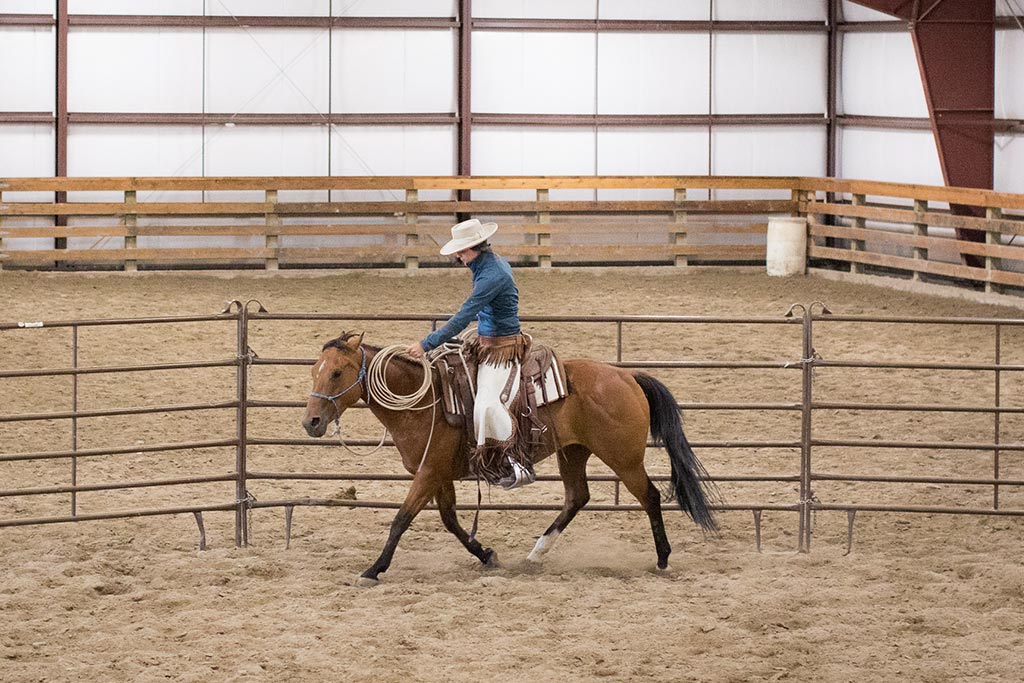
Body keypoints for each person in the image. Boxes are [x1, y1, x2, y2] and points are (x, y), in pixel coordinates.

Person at [406, 218, 535, 490]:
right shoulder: (487, 264)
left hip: (502, 347)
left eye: (462, 252)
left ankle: (515, 462)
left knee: (487, 403)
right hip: (487, 341)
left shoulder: (492, 275)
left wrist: (426, 344)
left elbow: (465, 315)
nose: (458, 257)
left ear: (476, 247)